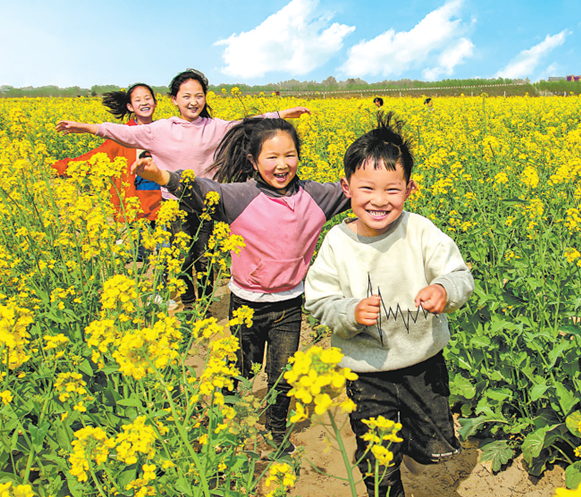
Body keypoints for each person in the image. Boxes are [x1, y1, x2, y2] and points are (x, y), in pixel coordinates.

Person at [131, 117, 350, 456]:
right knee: (240, 368)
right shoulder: (239, 196)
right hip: (246, 302)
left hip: (289, 305)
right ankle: (224, 421)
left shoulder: (314, 196)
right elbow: (203, 191)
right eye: (271, 157)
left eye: (289, 155)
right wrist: (162, 177)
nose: (282, 165)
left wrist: (385, 183)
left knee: (283, 374)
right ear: (253, 161)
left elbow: (354, 192)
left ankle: (276, 428)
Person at [304, 112, 474, 497]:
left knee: (434, 447)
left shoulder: (420, 230)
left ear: (409, 188)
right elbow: (318, 299)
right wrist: (348, 312)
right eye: (367, 189)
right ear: (346, 187)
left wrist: (445, 290)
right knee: (377, 454)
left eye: (391, 190)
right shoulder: (337, 242)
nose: (378, 201)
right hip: (365, 370)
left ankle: (415, 455)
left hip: (423, 362)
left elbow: (461, 274)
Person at [56, 69, 311, 314]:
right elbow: (123, 132)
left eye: (199, 95)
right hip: (175, 203)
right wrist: (85, 127)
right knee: (184, 253)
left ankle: (206, 301)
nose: (193, 101)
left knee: (207, 254)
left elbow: (246, 123)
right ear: (174, 99)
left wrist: (283, 113)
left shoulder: (215, 127)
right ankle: (189, 303)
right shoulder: (160, 130)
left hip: (210, 201)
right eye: (187, 96)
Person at [52, 83, 162, 226]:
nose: (144, 103)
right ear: (130, 107)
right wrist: (56, 167)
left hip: (163, 207)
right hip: (134, 208)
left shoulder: (164, 131)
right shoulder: (120, 136)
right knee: (138, 248)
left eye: (147, 98)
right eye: (138, 100)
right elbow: (93, 158)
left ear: (155, 103)